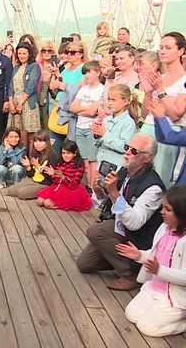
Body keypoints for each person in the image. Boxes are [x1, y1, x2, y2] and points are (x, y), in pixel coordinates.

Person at [77, 134, 164, 291]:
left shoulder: (153, 187)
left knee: (96, 232)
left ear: (147, 158)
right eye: (127, 148)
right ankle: (121, 259)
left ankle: (132, 273)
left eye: (134, 151)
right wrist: (99, 191)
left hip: (140, 238)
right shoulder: (125, 171)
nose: (127, 152)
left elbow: (135, 224)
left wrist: (114, 192)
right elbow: (107, 204)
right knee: (85, 264)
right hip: (120, 226)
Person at [116, 185, 186, 337]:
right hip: (155, 288)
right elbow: (155, 256)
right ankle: (159, 312)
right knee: (131, 314)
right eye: (163, 208)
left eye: (168, 210)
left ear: (182, 213)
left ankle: (182, 323)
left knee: (148, 327)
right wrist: (139, 255)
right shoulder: (164, 228)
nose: (162, 212)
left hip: (175, 296)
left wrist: (160, 271)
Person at [140, 32, 186, 187]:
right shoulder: (160, 76)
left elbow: (176, 114)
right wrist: (147, 92)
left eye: (168, 47)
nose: (163, 51)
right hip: (148, 127)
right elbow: (144, 113)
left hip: (168, 131)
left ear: (181, 51)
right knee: (137, 173)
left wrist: (160, 90)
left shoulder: (183, 80)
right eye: (161, 47)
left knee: (160, 178)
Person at [70, 61, 105, 189]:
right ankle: (87, 187)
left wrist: (82, 108)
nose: (87, 75)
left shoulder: (102, 89)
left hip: (92, 128)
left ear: (98, 73)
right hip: (80, 126)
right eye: (85, 73)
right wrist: (87, 108)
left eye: (90, 72)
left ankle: (93, 188)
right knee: (84, 161)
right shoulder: (84, 88)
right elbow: (72, 107)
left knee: (92, 161)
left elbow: (92, 112)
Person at [36, 139, 91, 211]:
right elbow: (56, 181)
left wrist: (63, 177)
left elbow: (73, 185)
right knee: (39, 201)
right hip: (59, 187)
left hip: (72, 189)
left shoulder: (78, 166)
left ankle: (64, 205)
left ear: (75, 154)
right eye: (63, 153)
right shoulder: (61, 163)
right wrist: (53, 175)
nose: (65, 155)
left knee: (47, 203)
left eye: (68, 153)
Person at [7, 42, 41, 147]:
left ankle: (30, 160)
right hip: (15, 102)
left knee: (30, 134)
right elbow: (11, 86)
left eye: (24, 54)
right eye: (20, 53)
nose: (22, 56)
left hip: (27, 102)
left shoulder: (34, 66)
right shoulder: (16, 67)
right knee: (17, 134)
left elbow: (31, 86)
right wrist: (11, 103)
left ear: (29, 54)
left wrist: (21, 103)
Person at [8, 130, 59, 200]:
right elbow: (31, 175)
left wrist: (38, 166)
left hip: (44, 183)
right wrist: (28, 167)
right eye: (35, 141)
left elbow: (49, 178)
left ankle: (43, 193)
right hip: (33, 179)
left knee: (21, 193)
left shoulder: (52, 156)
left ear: (47, 142)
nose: (37, 144)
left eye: (41, 141)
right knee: (11, 191)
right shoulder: (35, 153)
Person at [149, 99, 186, 186]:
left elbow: (171, 137)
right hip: (179, 179)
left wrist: (161, 117)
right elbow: (162, 138)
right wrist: (157, 118)